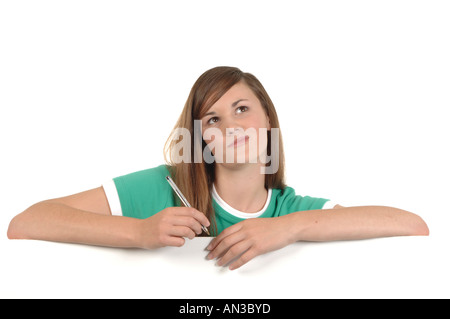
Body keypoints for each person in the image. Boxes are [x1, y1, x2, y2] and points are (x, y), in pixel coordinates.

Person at [7, 66, 429, 270]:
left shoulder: (293, 209)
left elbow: (413, 226)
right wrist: (137, 232)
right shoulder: (163, 187)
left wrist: (291, 227)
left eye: (242, 109)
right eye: (213, 119)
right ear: (201, 138)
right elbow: (26, 223)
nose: (231, 127)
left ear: (267, 119)